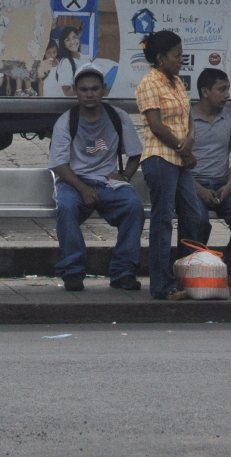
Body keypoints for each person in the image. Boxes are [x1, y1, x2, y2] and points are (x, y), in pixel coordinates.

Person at [49, 63, 144, 292]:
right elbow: (59, 165)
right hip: (75, 181)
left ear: (104, 89)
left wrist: (124, 176)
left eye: (94, 89)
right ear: (75, 91)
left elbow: (135, 153)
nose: (89, 94)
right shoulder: (66, 121)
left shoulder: (117, 117)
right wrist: (82, 189)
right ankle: (72, 271)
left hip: (108, 181)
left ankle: (123, 271)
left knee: (133, 206)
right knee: (67, 208)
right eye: (83, 89)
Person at [135, 30, 207, 301]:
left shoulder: (176, 82)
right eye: (176, 55)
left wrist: (189, 141)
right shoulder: (149, 83)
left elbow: (188, 118)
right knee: (163, 220)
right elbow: (156, 125)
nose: (181, 59)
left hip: (180, 158)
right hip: (160, 157)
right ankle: (161, 285)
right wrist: (182, 147)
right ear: (160, 58)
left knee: (193, 216)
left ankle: (185, 274)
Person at [186, 68, 231, 286]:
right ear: (205, 92)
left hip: (221, 183)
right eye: (221, 89)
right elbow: (179, 163)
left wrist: (228, 187)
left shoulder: (230, 117)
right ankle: (194, 267)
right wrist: (200, 190)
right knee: (200, 221)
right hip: (192, 183)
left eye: (228, 89)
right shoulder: (187, 117)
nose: (226, 95)